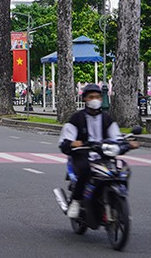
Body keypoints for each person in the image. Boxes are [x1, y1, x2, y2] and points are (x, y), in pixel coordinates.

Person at [58, 83, 138, 219]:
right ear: (84, 99)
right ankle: (76, 201)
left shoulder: (108, 119)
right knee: (85, 170)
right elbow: (65, 141)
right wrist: (74, 143)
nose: (95, 100)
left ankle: (118, 199)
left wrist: (127, 144)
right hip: (83, 155)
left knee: (123, 169)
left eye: (97, 97)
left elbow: (116, 136)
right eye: (91, 97)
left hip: (104, 155)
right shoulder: (76, 119)